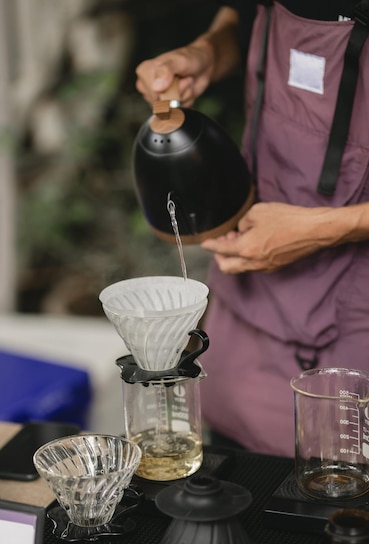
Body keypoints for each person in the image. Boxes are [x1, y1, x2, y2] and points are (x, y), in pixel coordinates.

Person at [135, 1, 369, 456]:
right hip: (250, 290)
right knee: (229, 469)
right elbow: (242, 14)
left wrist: (330, 228)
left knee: (335, 489)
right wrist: (209, 50)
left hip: (354, 310)